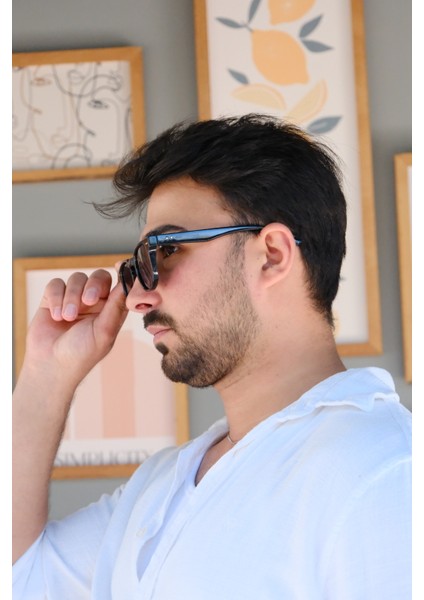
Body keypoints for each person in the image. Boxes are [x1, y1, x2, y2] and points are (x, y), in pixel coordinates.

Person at [13, 114, 411, 599]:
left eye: (166, 251)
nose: (137, 297)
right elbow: (20, 579)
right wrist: (46, 373)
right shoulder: (161, 484)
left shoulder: (384, 472)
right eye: (136, 267)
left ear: (272, 255)